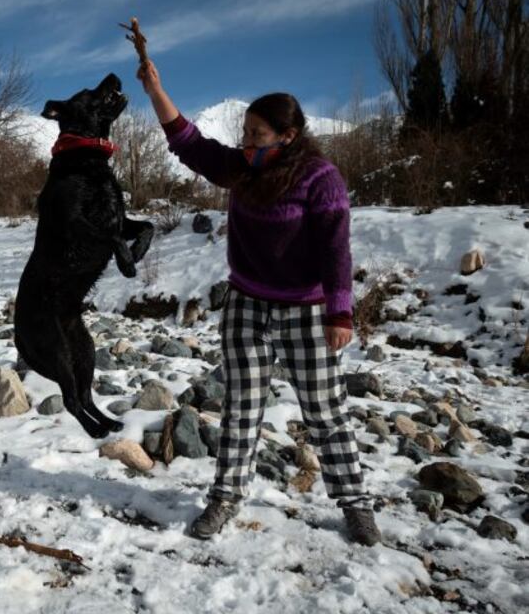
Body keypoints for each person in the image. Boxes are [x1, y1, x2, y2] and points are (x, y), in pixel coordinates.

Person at [138, 60, 381, 546]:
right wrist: (155, 89)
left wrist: (340, 312)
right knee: (241, 408)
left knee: (324, 412)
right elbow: (188, 142)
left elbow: (337, 248)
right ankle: (225, 497)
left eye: (258, 132)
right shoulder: (242, 168)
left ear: (287, 136)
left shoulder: (320, 177)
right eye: (245, 130)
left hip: (307, 309)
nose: (247, 140)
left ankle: (355, 505)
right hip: (247, 303)